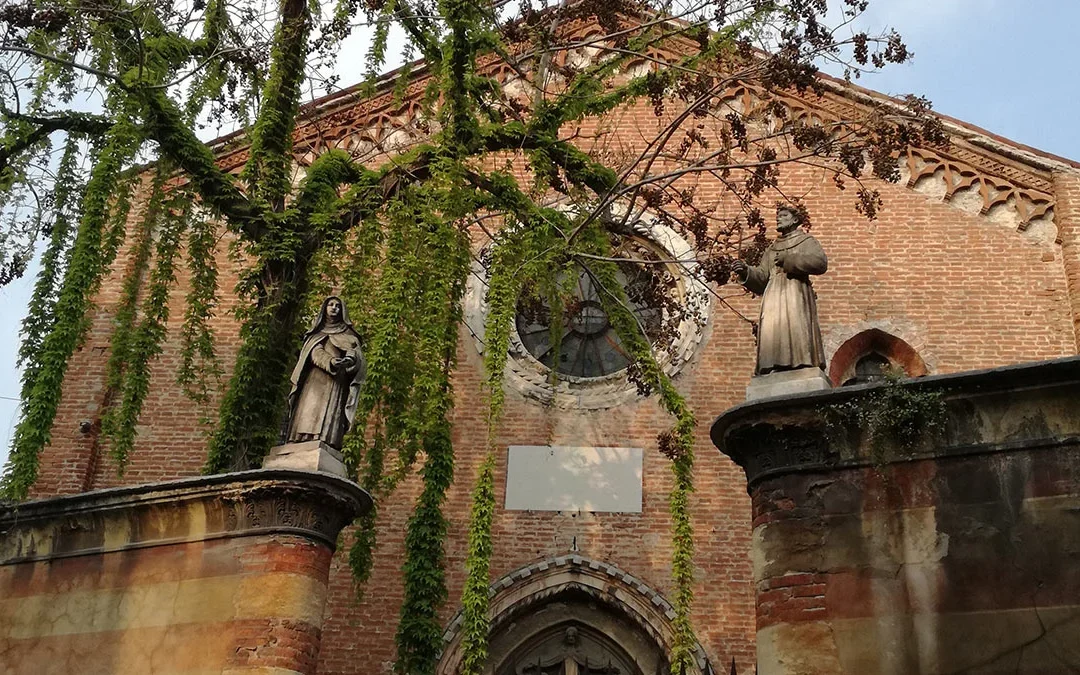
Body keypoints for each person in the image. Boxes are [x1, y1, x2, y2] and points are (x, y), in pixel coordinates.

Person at [732, 205, 828, 375]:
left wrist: (789, 259)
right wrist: (746, 271)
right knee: (772, 328)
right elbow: (762, 277)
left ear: (795, 220)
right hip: (773, 294)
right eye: (778, 216)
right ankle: (774, 365)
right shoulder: (772, 248)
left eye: (783, 215)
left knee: (797, 325)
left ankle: (802, 363)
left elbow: (820, 263)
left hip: (795, 291)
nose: (778, 218)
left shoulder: (806, 241)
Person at [285, 296, 365, 449]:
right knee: (308, 409)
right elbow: (314, 352)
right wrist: (330, 361)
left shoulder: (349, 335)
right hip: (315, 379)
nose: (334, 308)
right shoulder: (316, 334)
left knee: (329, 413)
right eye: (331, 305)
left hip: (335, 381)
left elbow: (356, 355)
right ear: (325, 308)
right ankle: (300, 438)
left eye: (338, 306)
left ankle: (325, 439)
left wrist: (350, 359)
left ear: (342, 311)